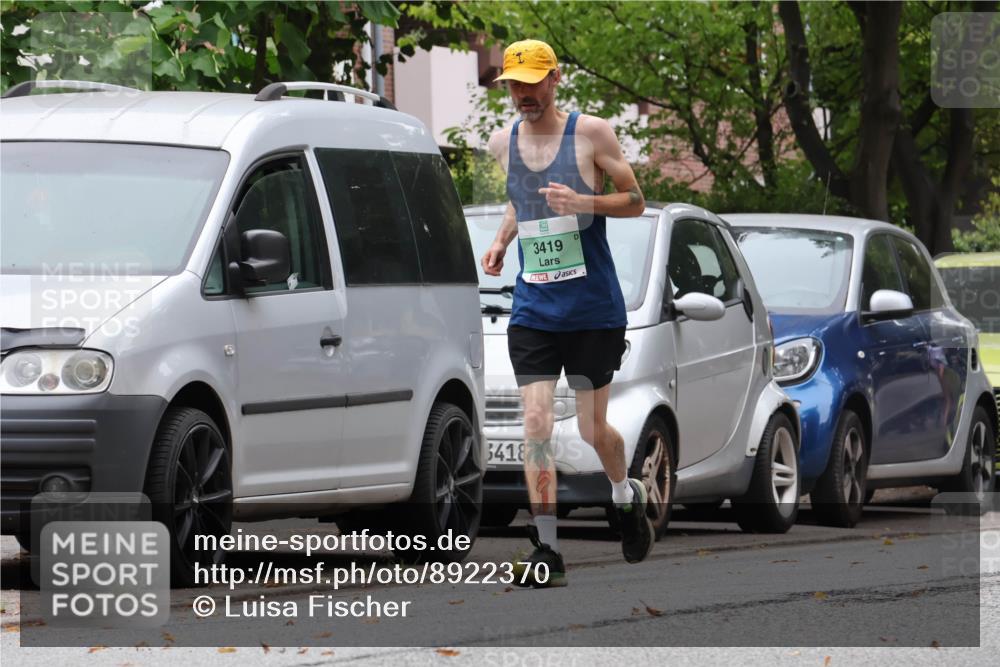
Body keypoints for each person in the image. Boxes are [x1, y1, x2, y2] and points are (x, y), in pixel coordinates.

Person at [481, 39, 652, 588]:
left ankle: (625, 495)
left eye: (533, 82)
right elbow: (521, 200)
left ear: (555, 79)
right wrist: (502, 240)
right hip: (534, 310)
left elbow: (636, 200)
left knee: (591, 427)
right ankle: (547, 549)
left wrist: (585, 203)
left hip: (592, 313)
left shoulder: (591, 134)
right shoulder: (502, 142)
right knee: (535, 425)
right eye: (515, 84)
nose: (524, 94)